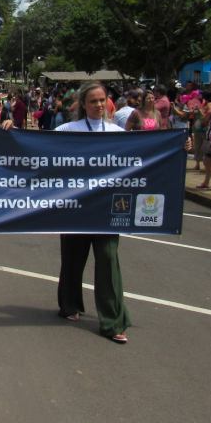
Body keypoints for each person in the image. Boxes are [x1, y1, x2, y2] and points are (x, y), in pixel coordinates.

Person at [53, 82, 132, 343]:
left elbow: (146, 156)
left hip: (107, 209)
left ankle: (113, 321)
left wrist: (182, 147)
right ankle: (70, 305)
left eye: (102, 100)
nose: (99, 105)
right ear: (82, 105)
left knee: (109, 260)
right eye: (93, 101)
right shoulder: (67, 130)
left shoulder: (118, 132)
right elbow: (38, 151)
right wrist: (11, 131)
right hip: (75, 208)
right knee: (73, 258)